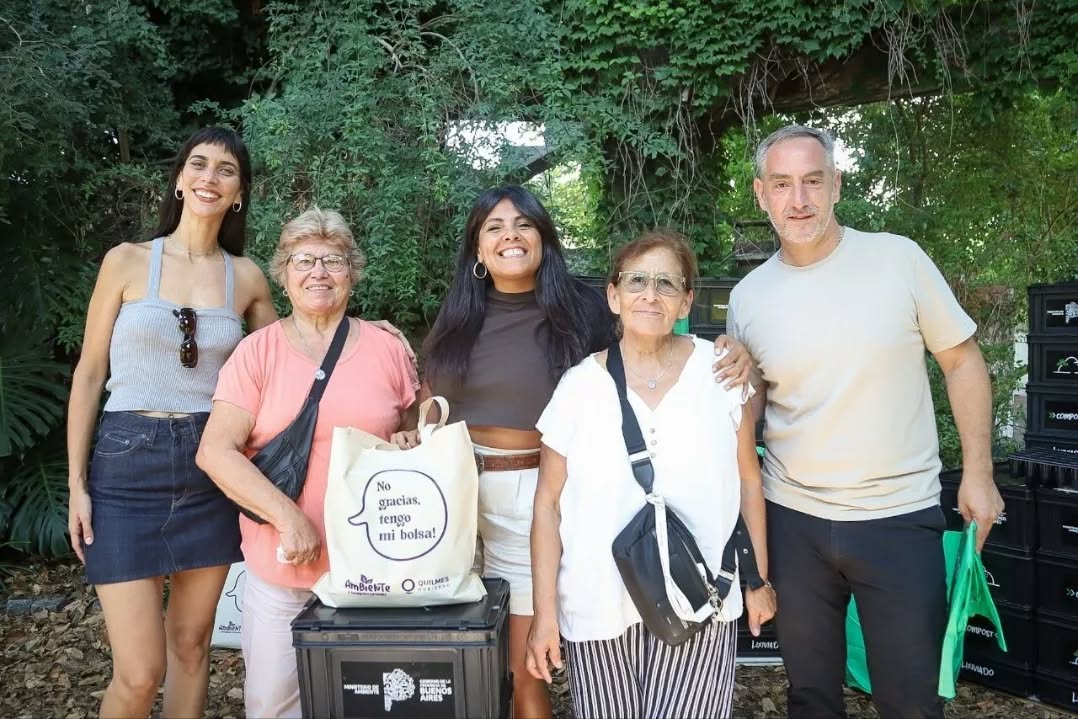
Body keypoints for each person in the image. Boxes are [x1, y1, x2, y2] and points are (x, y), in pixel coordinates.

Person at [401, 186, 755, 718]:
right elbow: (436, 397)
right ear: (476, 247)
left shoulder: (583, 309)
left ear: (545, 238)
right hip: (459, 495)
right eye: (494, 227)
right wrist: (412, 427)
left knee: (526, 664)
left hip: (533, 493)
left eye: (524, 224)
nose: (510, 236)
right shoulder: (458, 314)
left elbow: (648, 340)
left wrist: (733, 349)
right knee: (466, 650)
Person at [728, 125, 1005, 719]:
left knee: (910, 702)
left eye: (812, 181)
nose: (797, 200)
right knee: (810, 697)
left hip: (898, 518)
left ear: (836, 185)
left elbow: (962, 361)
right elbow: (750, 410)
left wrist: (978, 473)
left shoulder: (897, 259)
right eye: (782, 184)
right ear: (760, 194)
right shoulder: (749, 296)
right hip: (793, 520)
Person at [66, 127, 276, 718]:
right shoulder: (127, 261)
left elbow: (286, 359)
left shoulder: (249, 278)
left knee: (190, 646)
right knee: (138, 673)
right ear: (180, 179)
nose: (210, 177)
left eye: (226, 170)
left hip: (211, 465)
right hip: (126, 463)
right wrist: (77, 485)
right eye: (199, 165)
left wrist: (363, 334)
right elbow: (88, 374)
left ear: (239, 193)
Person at [525, 230, 776, 718]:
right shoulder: (579, 387)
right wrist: (545, 613)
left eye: (666, 283)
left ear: (685, 300)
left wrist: (758, 579)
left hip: (701, 593)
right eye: (636, 280)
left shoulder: (720, 374)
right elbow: (547, 504)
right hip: (598, 600)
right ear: (613, 296)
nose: (649, 293)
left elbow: (749, 479)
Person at [196, 207, 418, 718]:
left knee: (373, 702)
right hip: (283, 565)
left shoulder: (387, 348)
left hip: (377, 569)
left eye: (333, 260)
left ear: (352, 273)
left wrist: (412, 436)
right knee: (276, 705)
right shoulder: (257, 353)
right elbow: (214, 450)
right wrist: (287, 517)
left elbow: (415, 425)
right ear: (283, 273)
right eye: (304, 260)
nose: (319, 271)